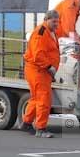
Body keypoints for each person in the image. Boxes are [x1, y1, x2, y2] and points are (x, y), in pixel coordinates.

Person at [20, 10, 60, 138]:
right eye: (54, 21)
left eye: (57, 21)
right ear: (46, 20)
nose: (56, 24)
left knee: (36, 98)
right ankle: (41, 128)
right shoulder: (41, 32)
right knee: (44, 99)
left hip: (40, 70)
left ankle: (26, 122)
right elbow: (38, 55)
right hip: (39, 70)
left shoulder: (49, 32)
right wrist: (49, 67)